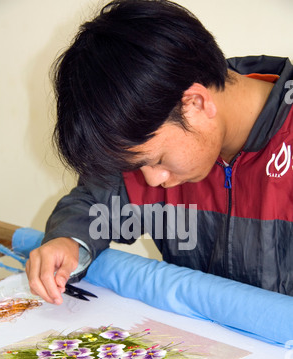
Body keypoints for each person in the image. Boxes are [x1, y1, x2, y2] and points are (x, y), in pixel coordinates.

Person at [26, 0, 293, 304]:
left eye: (157, 161)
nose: (152, 181)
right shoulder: (149, 123)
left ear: (195, 103)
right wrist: (68, 241)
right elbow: (92, 203)